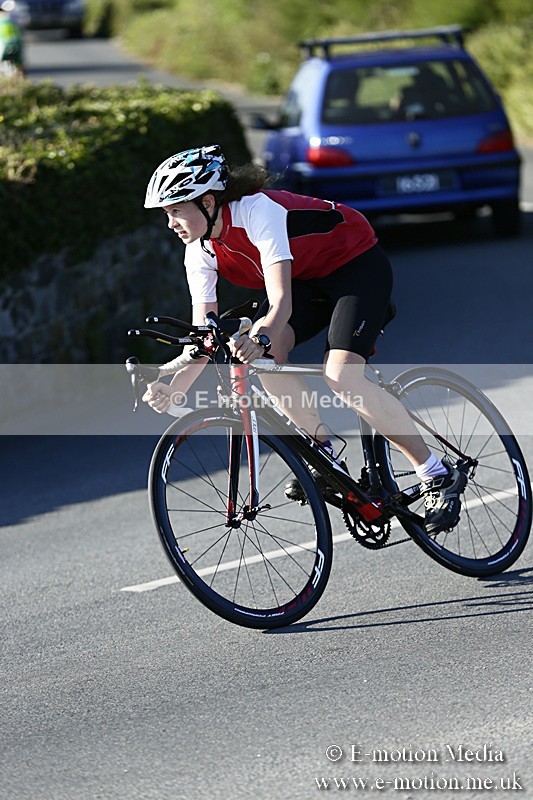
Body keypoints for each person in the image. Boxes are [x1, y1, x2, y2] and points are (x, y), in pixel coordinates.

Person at [142, 144, 466, 534]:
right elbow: (204, 335)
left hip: (354, 266)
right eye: (167, 213)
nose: (170, 222)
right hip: (308, 280)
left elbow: (280, 304)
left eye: (176, 209)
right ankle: (324, 456)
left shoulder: (258, 212)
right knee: (258, 356)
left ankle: (435, 472)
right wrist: (172, 387)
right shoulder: (198, 251)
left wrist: (260, 338)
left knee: (342, 377)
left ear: (208, 201)